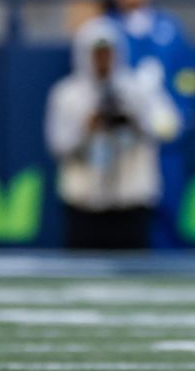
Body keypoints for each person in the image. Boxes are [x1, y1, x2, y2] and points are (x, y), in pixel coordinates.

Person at [45, 18, 181, 249]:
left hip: (131, 199)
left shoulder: (138, 89)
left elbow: (169, 127)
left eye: (108, 53)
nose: (103, 60)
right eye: (97, 53)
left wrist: (138, 123)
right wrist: (86, 129)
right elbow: (57, 144)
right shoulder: (67, 94)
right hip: (84, 201)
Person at [108, 0, 195, 248]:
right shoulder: (108, 29)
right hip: (128, 135)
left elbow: (187, 75)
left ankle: (169, 254)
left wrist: (184, 112)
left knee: (170, 199)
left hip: (165, 129)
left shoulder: (168, 27)